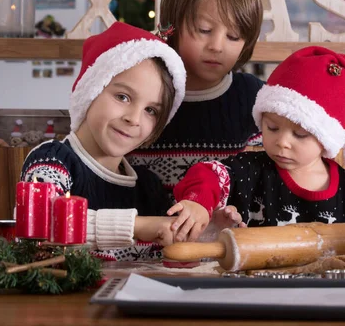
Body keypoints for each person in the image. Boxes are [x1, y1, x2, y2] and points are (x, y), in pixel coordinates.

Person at [171, 46, 345, 265]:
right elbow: (208, 173)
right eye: (272, 128)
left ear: (326, 138)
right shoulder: (249, 171)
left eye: (300, 134)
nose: (282, 142)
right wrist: (198, 202)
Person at [20, 22, 239, 261]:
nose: (133, 118)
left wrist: (206, 233)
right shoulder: (53, 159)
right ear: (92, 88)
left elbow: (168, 251)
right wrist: (138, 226)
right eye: (122, 97)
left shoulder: (148, 187)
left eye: (151, 110)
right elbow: (43, 224)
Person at [128, 0, 264, 200]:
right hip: (145, 233)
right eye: (204, 30)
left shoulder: (255, 99)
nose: (217, 46)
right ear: (172, 26)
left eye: (233, 36)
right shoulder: (144, 89)